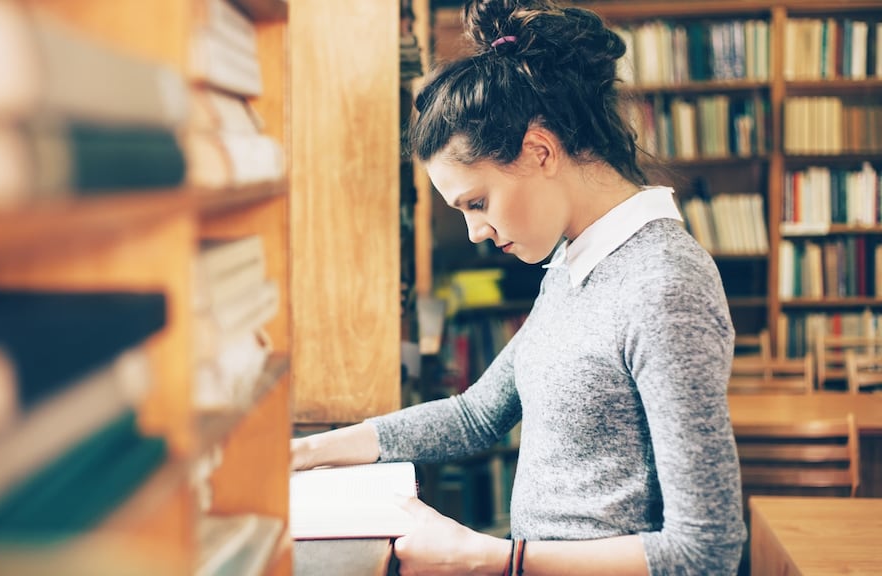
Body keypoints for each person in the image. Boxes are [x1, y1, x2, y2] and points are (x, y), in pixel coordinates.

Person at [290, 0, 747, 573]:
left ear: (540, 150)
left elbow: (707, 551)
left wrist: (492, 558)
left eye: (477, 203)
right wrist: (308, 452)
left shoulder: (664, 285)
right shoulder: (573, 265)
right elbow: (477, 415)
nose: (476, 231)